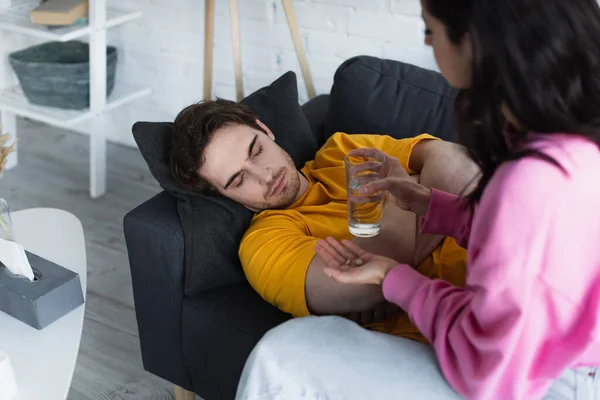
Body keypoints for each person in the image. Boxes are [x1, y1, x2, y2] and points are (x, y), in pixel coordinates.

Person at [235, 0, 600, 399]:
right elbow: (522, 242)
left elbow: (486, 367)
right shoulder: (561, 143)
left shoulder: (529, 180)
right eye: (236, 180)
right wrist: (432, 205)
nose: (264, 175)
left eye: (429, 29)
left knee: (277, 357)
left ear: (476, 43)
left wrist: (394, 277)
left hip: (543, 377)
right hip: (550, 350)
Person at [169, 99, 480, 341]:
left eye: (257, 150)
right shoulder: (263, 244)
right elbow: (367, 289)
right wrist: (417, 192)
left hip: (508, 270)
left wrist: (394, 265)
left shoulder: (340, 150)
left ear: (265, 129)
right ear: (224, 196)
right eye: (238, 180)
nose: (264, 176)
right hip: (455, 334)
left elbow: (458, 160)